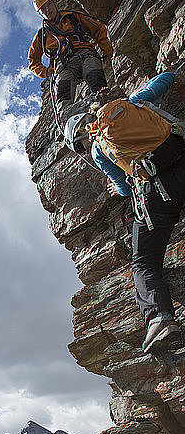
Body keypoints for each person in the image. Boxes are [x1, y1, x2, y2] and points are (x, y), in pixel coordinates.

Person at [64, 72, 183, 353]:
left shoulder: (98, 150)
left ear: (79, 142)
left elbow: (124, 188)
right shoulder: (126, 104)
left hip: (158, 194)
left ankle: (159, 319)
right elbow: (164, 79)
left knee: (143, 261)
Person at [28, 0, 113, 113]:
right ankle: (70, 125)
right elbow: (32, 61)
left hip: (85, 53)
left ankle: (108, 110)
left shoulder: (73, 16)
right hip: (63, 64)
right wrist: (46, 72)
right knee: (63, 97)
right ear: (40, 14)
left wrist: (107, 52)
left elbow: (98, 29)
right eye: (43, 9)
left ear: (54, 2)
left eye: (48, 5)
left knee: (97, 82)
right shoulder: (42, 35)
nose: (47, 10)